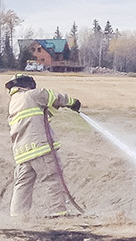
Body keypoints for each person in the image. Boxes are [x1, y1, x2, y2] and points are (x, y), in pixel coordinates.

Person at [5, 74, 84, 217]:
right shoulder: (32, 95)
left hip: (22, 153)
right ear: (27, 85)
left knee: (23, 184)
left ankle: (18, 217)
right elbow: (52, 96)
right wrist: (72, 102)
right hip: (39, 149)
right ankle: (58, 213)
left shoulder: (14, 102)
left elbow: (43, 115)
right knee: (52, 178)